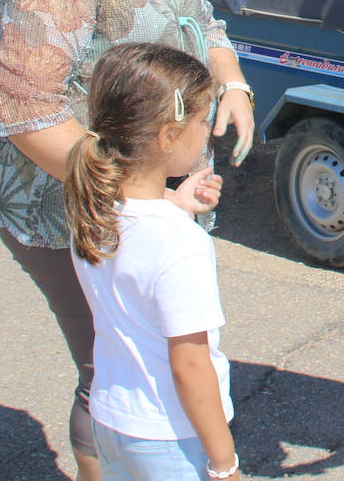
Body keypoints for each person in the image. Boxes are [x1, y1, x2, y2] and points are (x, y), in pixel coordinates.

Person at [0, 0, 255, 480]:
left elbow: (201, 16)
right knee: (117, 369)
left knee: (147, 361)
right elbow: (27, 110)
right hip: (77, 210)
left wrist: (230, 78)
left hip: (146, 199)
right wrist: (144, 198)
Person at [65, 42, 239, 481]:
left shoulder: (92, 207)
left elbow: (137, 242)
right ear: (168, 136)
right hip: (170, 438)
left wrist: (175, 204)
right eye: (201, 120)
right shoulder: (181, 244)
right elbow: (190, 365)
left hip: (111, 421)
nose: (207, 130)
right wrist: (224, 465)